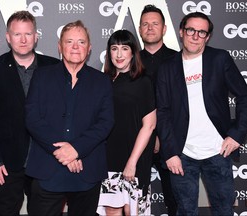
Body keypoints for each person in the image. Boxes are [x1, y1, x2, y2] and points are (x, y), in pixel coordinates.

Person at [156, 12, 247, 215]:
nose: (195, 36)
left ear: (207, 37)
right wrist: (170, 152)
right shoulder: (167, 67)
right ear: (182, 32)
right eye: (191, 30)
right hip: (182, 154)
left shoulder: (219, 59)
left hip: (218, 151)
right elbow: (162, 112)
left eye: (202, 32)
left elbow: (245, 96)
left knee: (224, 210)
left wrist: (236, 135)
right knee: (185, 211)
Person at [25, 20, 114, 216]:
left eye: (81, 42)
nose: (75, 47)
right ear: (60, 46)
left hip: (87, 170)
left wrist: (76, 149)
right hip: (48, 169)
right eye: (69, 41)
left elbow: (105, 123)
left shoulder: (102, 82)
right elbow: (32, 119)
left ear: (89, 48)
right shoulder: (41, 76)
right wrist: (64, 151)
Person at [0, 11, 60, 216]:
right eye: (17, 34)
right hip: (7, 162)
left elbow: (63, 114)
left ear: (36, 36)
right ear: (8, 37)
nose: (23, 40)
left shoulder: (54, 67)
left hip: (46, 159)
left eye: (28, 34)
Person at [97, 29, 156, 216]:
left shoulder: (142, 81)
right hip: (108, 157)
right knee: (111, 209)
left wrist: (132, 161)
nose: (119, 54)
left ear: (133, 52)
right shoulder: (103, 81)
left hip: (135, 157)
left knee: (133, 210)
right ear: (109, 53)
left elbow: (150, 125)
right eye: (114, 48)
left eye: (124, 48)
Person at [139, 5, 177, 215]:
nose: (150, 28)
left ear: (164, 29)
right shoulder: (129, 60)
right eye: (145, 24)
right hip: (136, 140)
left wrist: (162, 135)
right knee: (133, 197)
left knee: (175, 198)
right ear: (139, 29)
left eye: (155, 24)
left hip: (171, 141)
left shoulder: (178, 60)